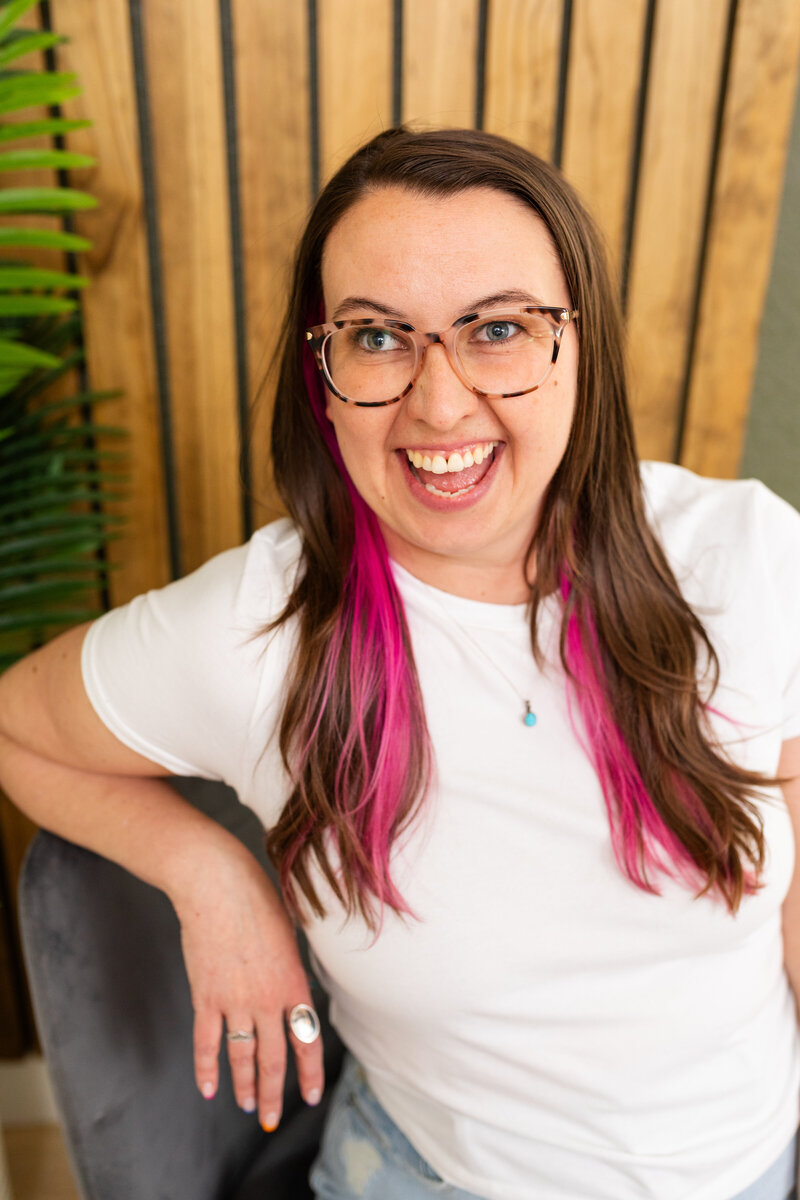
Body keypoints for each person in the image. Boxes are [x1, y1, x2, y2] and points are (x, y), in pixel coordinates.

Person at [0, 126, 798, 1200]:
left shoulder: (744, 557)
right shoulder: (260, 630)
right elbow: (13, 722)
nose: (438, 402)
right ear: (320, 375)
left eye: (498, 329)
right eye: (377, 339)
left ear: (579, 346)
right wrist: (211, 875)